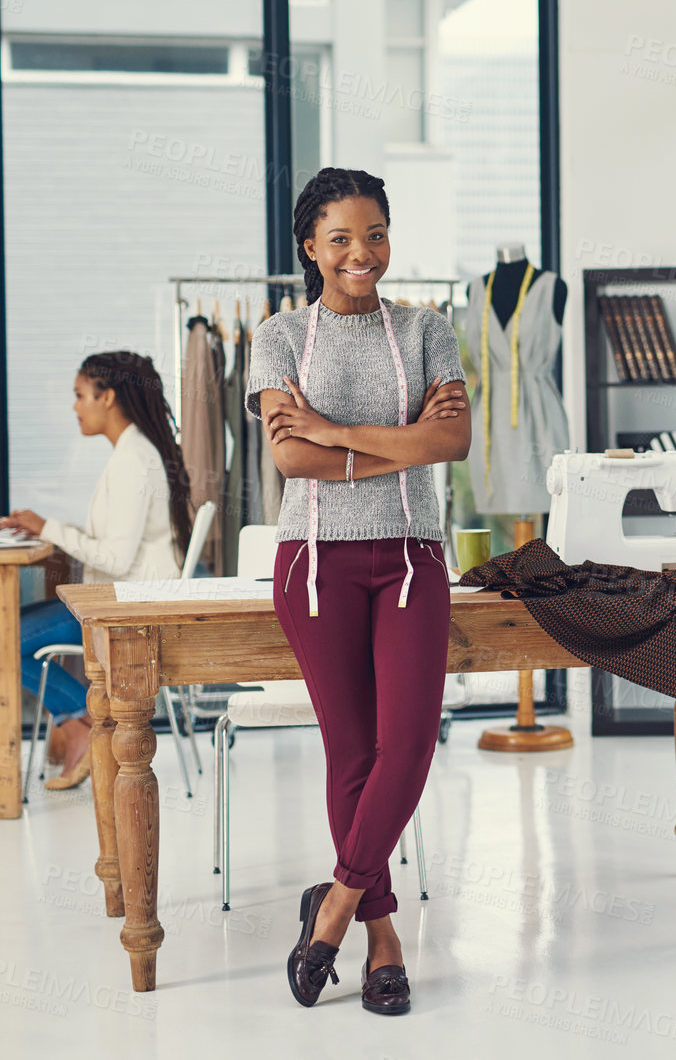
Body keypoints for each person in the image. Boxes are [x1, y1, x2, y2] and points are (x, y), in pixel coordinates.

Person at [246, 167, 470, 1013]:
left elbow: (451, 440)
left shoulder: (426, 331)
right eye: (340, 238)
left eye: (374, 234)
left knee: (407, 745)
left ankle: (333, 905)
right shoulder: (276, 337)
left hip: (413, 555)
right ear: (310, 247)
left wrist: (338, 429)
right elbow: (289, 460)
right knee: (353, 752)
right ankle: (384, 937)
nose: (361, 253)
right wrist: (399, 441)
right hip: (314, 562)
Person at [0, 352, 192, 790]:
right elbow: (116, 540)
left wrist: (49, 528)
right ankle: (83, 726)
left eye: (80, 395)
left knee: (2, 639)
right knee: (7, 631)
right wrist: (49, 528)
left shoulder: (132, 459)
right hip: (123, 596)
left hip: (125, 606)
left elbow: (116, 559)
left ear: (108, 397)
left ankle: (83, 727)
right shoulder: (137, 450)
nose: (74, 406)